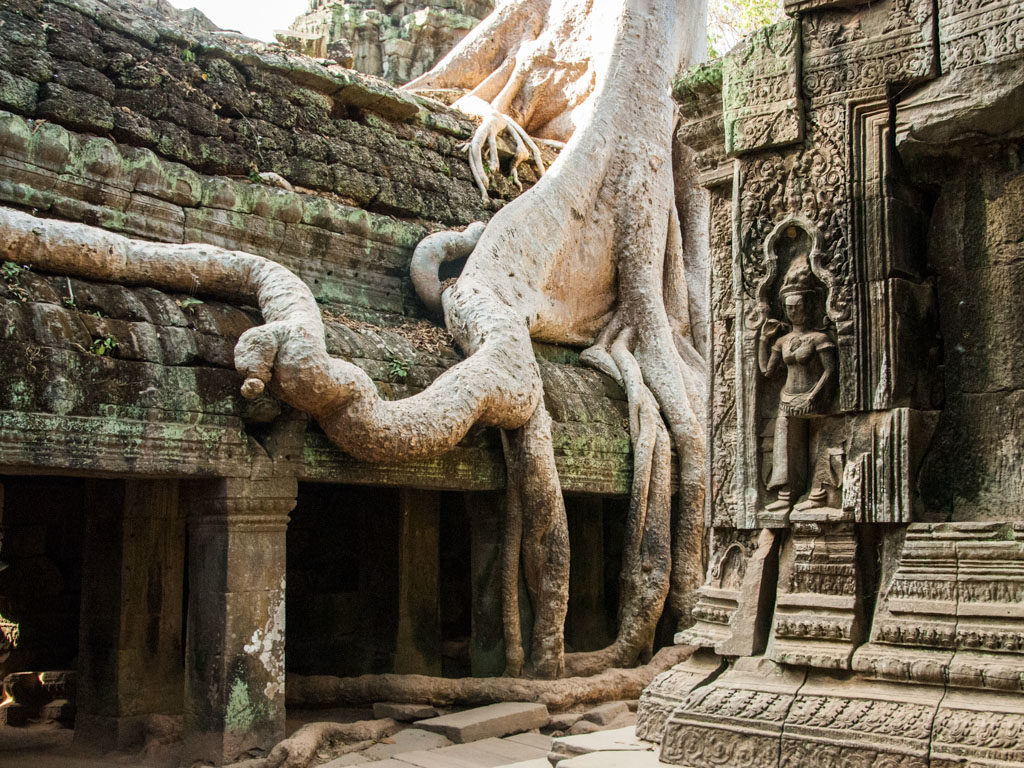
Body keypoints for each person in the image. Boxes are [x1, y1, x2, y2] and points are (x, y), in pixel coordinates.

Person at [758, 261, 836, 512]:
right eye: (789, 308)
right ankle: (787, 493)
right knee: (785, 447)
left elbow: (830, 370)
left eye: (798, 306)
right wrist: (762, 339)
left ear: (809, 306)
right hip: (787, 398)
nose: (793, 312)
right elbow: (767, 371)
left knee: (818, 444)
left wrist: (815, 394)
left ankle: (817, 493)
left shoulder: (819, 338)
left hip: (813, 398)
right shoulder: (783, 341)